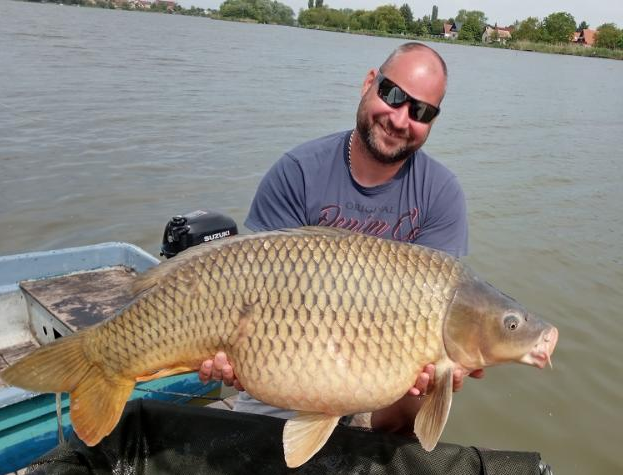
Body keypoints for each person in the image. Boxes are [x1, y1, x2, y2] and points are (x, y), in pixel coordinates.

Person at [199, 42, 483, 435]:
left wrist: (447, 366)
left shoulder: (440, 193)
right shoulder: (298, 172)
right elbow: (252, 291)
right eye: (393, 95)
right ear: (369, 82)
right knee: (254, 419)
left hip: (382, 378)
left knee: (423, 386)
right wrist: (237, 356)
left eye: (421, 112)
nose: (400, 119)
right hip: (289, 362)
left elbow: (437, 309)